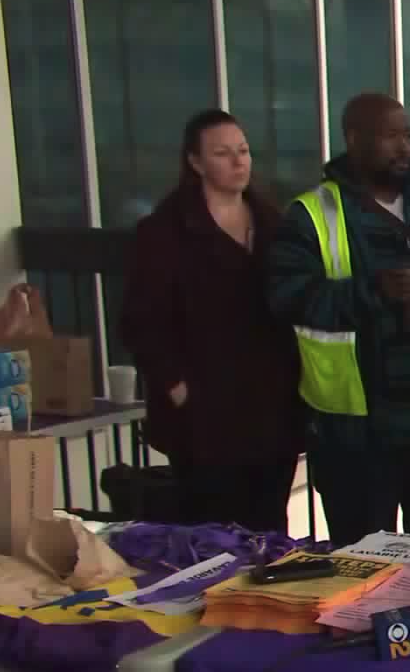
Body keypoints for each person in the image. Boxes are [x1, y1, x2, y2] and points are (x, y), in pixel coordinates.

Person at [268, 94, 410, 546]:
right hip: (357, 426)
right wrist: (372, 292)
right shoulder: (312, 213)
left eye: (408, 135)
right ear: (354, 139)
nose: (403, 147)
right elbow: (288, 298)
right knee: (363, 559)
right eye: (389, 136)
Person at [123, 109, 303, 532]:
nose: (239, 162)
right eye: (223, 153)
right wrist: (177, 387)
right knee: (212, 531)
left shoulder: (273, 223)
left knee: (269, 527)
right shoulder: (165, 232)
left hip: (271, 406)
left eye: (243, 151)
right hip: (204, 411)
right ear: (196, 162)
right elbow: (140, 320)